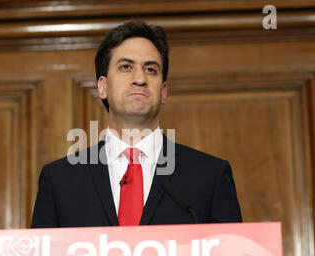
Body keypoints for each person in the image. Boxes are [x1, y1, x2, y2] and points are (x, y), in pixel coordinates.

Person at [31, 20, 242, 228]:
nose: (140, 79)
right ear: (102, 87)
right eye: (126, 67)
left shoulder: (210, 175)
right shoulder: (59, 180)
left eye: (151, 70)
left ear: (164, 92)